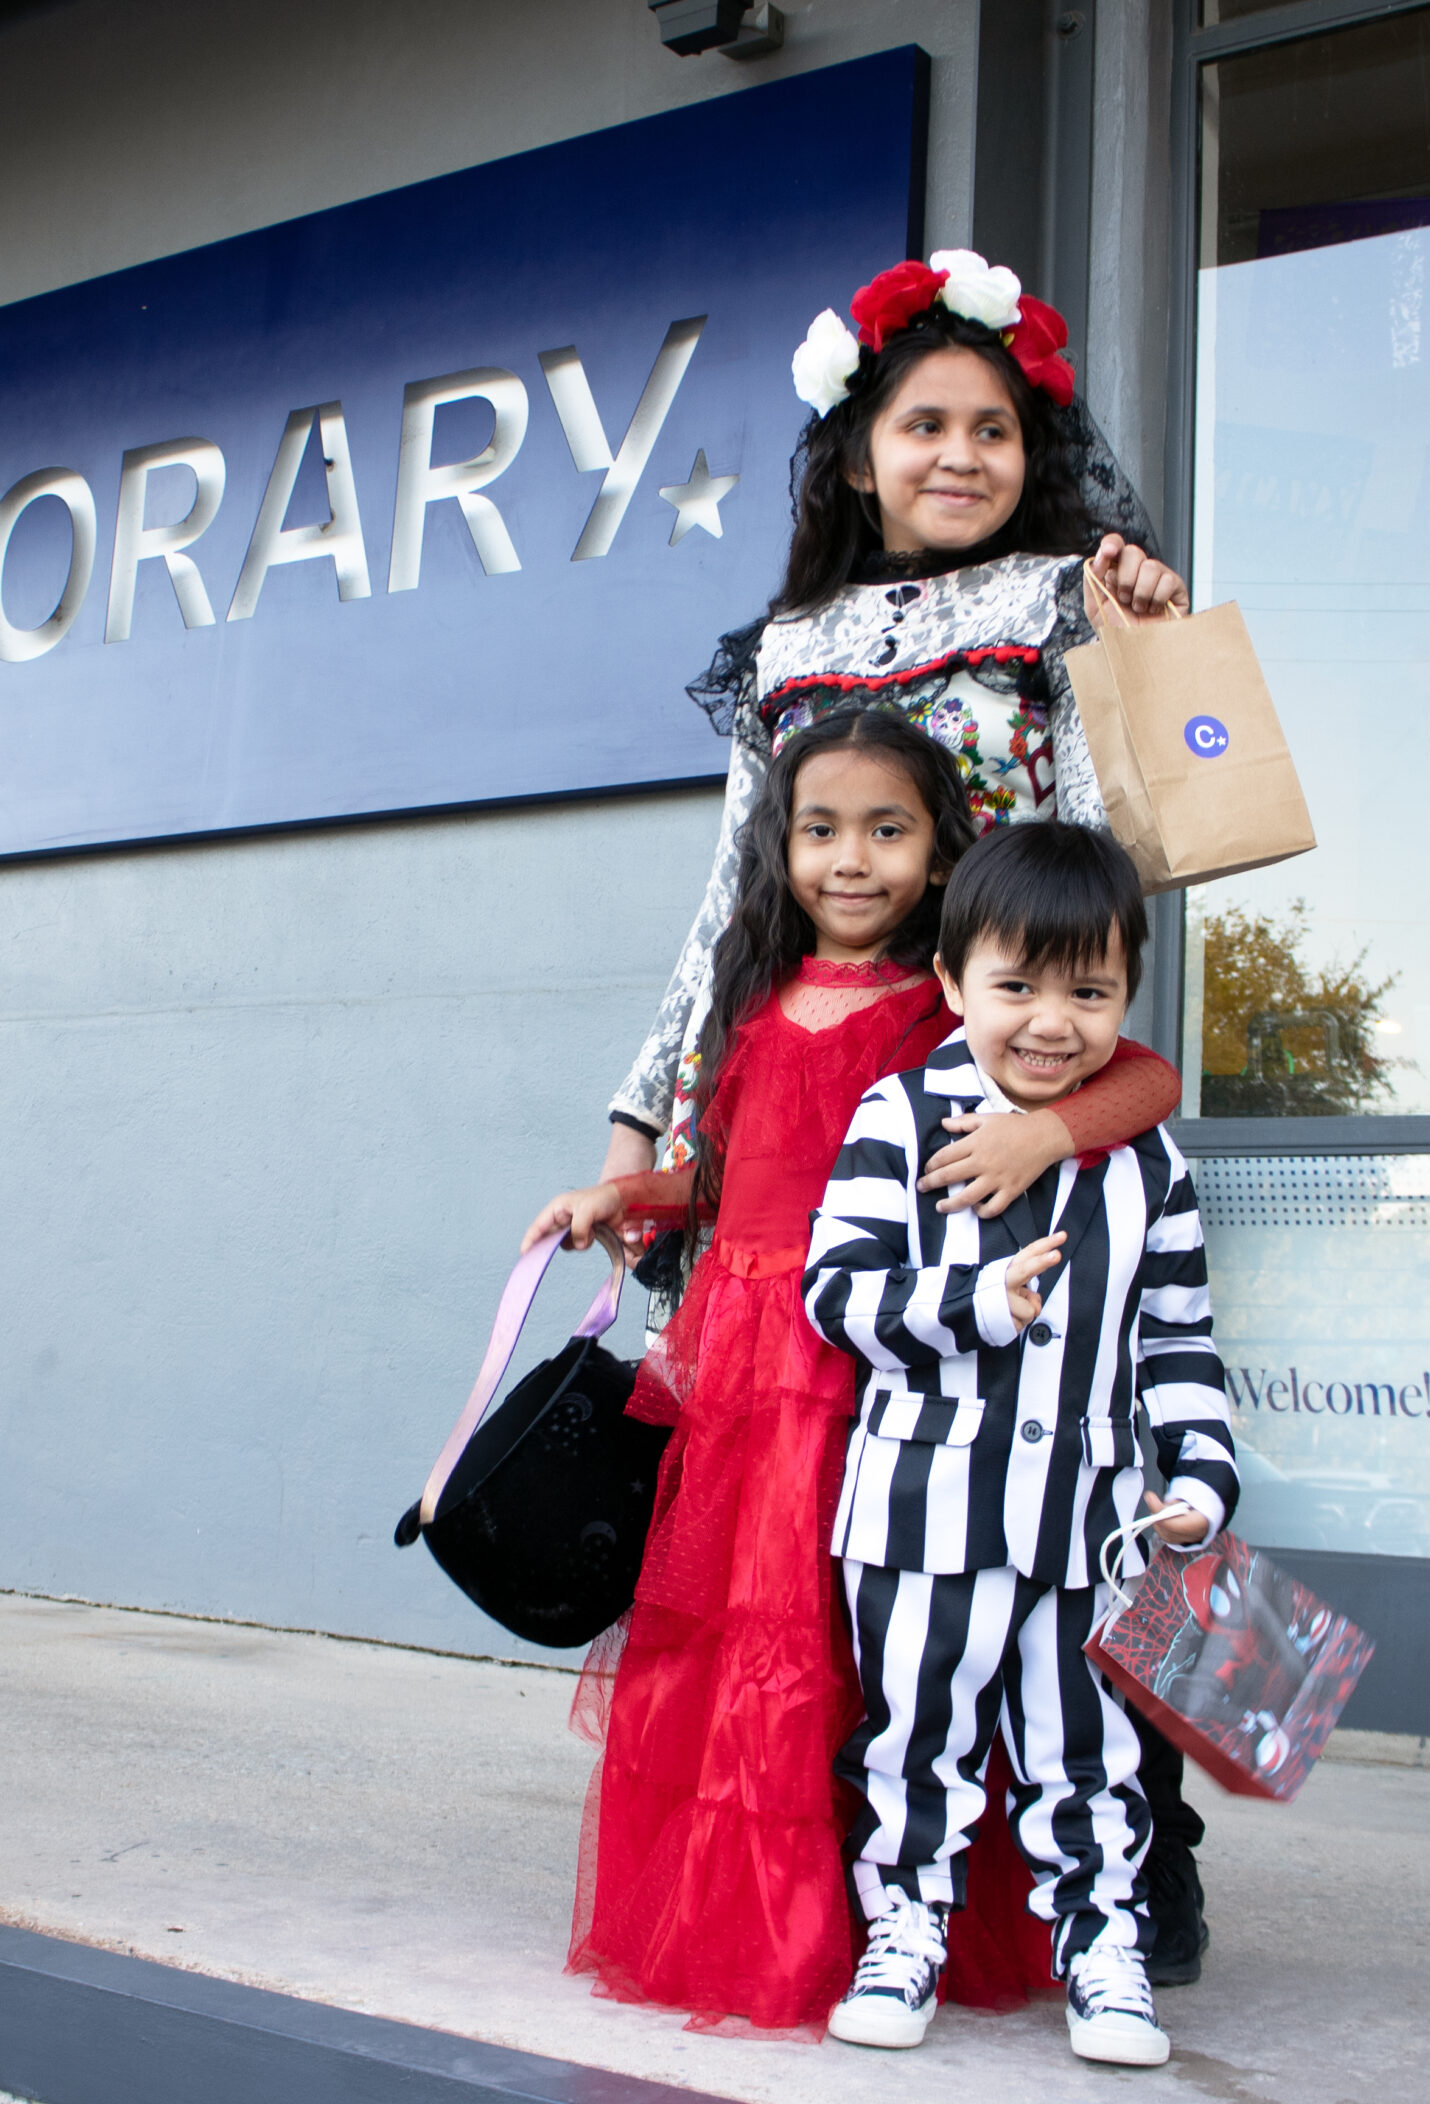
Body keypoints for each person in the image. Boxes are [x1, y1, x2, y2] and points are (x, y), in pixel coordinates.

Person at [599, 249, 1211, 1987]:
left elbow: (1120, 875)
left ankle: (1126, 1859)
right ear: (855, 455)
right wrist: (648, 1117)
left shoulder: (1073, 599)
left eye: (994, 425)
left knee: (1050, 1506)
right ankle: (849, 1870)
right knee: (843, 1532)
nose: (958, 451)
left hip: (998, 1107)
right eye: (922, 423)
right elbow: (729, 898)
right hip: (811, 1128)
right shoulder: (793, 647)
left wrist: (1156, 642)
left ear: (1041, 447)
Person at [526, 709, 1179, 2035]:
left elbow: (1146, 1082)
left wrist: (1045, 1130)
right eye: (820, 830)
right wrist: (626, 1192)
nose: (851, 860)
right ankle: (790, 1930)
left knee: (896, 1649)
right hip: (747, 1367)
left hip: (884, 1370)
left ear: (942, 856)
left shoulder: (957, 1007)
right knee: (755, 1647)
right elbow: (729, 1175)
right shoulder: (756, 1001)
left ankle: (909, 1917)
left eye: (889, 830)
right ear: (783, 848)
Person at [803, 821, 1238, 2069]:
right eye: (1016, 987)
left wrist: (1201, 1483)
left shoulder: (1147, 1159)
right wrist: (976, 1305)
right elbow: (836, 1295)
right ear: (950, 984)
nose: (1052, 1022)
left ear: (1125, 996)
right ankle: (904, 1929)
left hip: (1089, 1526)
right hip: (920, 1512)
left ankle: (1102, 1951)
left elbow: (1179, 1345)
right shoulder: (898, 1114)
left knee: (1089, 1760)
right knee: (914, 1736)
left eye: (1090, 992)